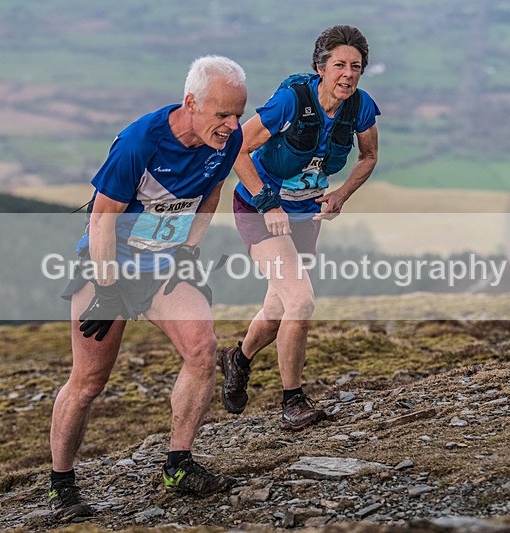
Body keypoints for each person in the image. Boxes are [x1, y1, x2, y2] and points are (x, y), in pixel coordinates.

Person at [48, 55, 247, 522]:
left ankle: (178, 464)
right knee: (88, 381)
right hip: (107, 266)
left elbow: (211, 192)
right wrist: (107, 290)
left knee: (202, 348)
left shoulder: (227, 139)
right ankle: (62, 486)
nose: (233, 125)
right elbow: (102, 218)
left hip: (162, 267)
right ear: (191, 103)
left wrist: (189, 250)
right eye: (222, 114)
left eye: (239, 113)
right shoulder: (140, 142)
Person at [218, 25, 380, 430]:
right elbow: (237, 147)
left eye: (356, 66)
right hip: (261, 210)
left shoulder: (360, 107)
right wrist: (267, 200)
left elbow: (369, 155)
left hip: (306, 214)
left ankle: (238, 359)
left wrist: (342, 193)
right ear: (320, 67)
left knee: (278, 308)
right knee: (301, 302)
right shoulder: (291, 101)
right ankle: (292, 402)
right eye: (339, 65)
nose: (348, 74)